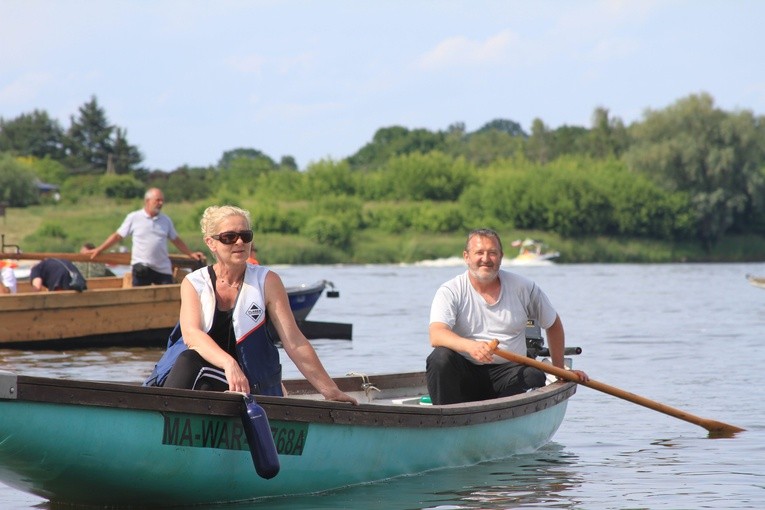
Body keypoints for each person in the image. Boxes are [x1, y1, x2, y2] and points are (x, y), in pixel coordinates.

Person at [144, 205, 357, 405]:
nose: (239, 242)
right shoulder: (193, 283)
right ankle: (161, 420)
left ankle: (164, 418)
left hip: (250, 385)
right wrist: (230, 364)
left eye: (246, 236)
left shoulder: (268, 281)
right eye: (229, 237)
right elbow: (192, 335)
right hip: (208, 378)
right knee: (189, 359)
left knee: (190, 362)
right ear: (211, 243)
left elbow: (295, 343)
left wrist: (330, 391)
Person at [426, 228, 588, 405]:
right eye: (479, 253)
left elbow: (553, 324)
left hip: (509, 374)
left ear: (501, 257)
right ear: (466, 257)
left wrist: (559, 372)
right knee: (439, 358)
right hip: (465, 373)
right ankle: (447, 418)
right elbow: (437, 334)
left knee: (534, 375)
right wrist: (471, 347)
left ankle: (497, 412)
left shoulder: (523, 287)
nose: (486, 259)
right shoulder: (450, 291)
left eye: (492, 253)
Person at [86, 188, 205, 286]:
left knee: (167, 300)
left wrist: (190, 254)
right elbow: (118, 236)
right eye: (157, 200)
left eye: (162, 201)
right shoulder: (134, 217)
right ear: (147, 201)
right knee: (139, 296)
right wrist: (99, 249)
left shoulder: (165, 220)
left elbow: (176, 239)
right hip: (142, 267)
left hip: (162, 268)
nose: (160, 203)